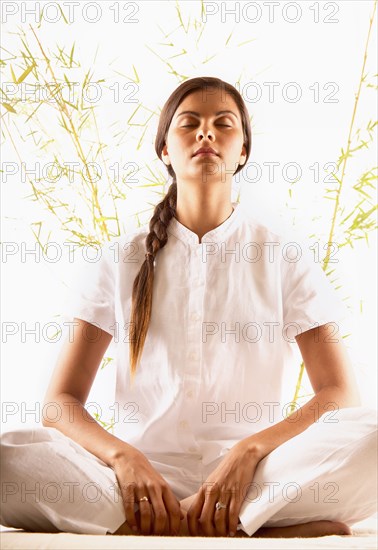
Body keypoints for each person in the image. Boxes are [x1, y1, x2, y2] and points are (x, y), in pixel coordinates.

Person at [1, 76, 377, 539]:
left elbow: (339, 394)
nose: (206, 133)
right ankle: (244, 530)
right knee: (6, 453)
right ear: (164, 150)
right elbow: (59, 405)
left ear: (242, 152)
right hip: (133, 487)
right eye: (189, 123)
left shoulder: (283, 256)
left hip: (258, 480)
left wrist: (249, 451)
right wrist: (124, 458)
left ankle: (171, 527)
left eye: (224, 124)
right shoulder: (122, 258)